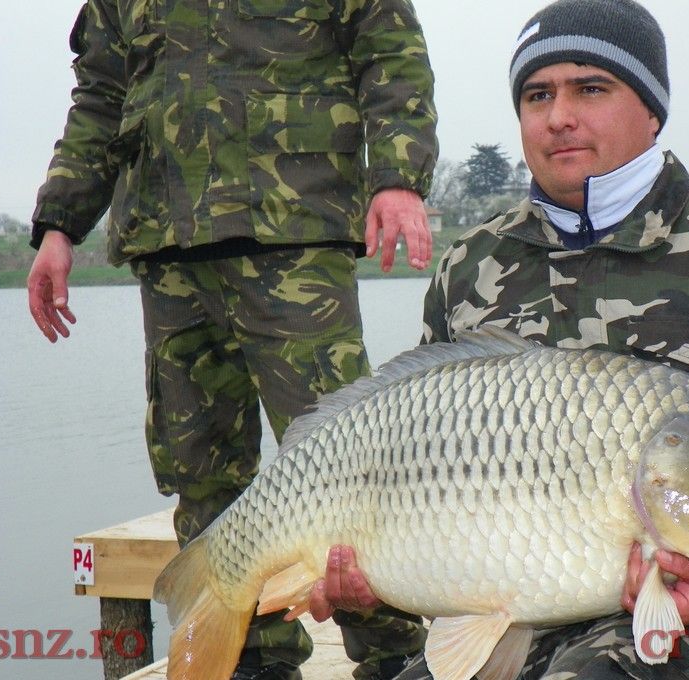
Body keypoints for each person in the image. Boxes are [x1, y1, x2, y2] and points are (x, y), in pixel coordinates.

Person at [308, 0, 689, 678]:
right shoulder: (471, 266)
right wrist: (370, 579)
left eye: (590, 88)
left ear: (652, 109)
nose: (558, 116)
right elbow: (417, 466)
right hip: (502, 620)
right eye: (537, 95)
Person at [25, 1, 437, 678]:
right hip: (168, 242)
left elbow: (389, 51)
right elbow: (101, 95)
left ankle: (395, 657)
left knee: (351, 466)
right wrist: (59, 225)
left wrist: (397, 177)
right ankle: (252, 659)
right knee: (200, 472)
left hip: (293, 229)